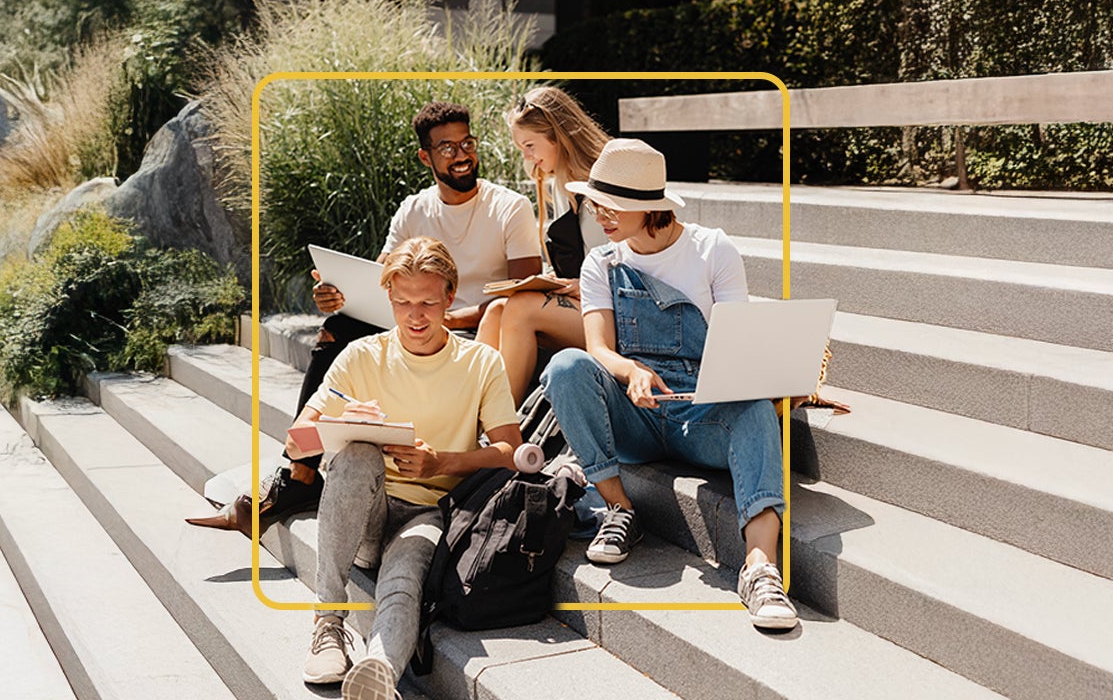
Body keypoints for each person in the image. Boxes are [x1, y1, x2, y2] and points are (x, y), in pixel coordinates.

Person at [540, 138, 798, 630]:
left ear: (650, 207)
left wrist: (772, 375)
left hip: (703, 415)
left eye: (612, 205)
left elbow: (737, 340)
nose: (599, 214)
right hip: (636, 414)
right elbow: (598, 348)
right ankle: (619, 509)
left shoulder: (712, 250)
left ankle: (760, 569)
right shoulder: (602, 262)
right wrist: (630, 371)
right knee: (566, 367)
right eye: (595, 203)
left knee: (756, 409)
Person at [257, 101, 540, 530]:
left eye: (468, 143)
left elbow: (525, 291)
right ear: (425, 157)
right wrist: (339, 295)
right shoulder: (414, 209)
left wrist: (449, 317)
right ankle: (301, 474)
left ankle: (321, 474)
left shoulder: (509, 207)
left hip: (475, 329)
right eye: (447, 148)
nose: (462, 155)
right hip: (419, 319)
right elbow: (383, 280)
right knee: (338, 328)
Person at [285, 236, 524, 698]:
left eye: (428, 303)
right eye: (403, 302)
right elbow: (295, 446)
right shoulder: (360, 356)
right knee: (357, 454)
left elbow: (510, 452)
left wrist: (441, 462)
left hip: (430, 514)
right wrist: (339, 425)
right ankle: (327, 624)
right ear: (389, 297)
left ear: (449, 298)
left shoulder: (480, 362)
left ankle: (379, 670)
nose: (415, 316)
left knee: (404, 579)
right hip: (364, 513)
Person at [477, 86, 612, 403]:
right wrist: (553, 279)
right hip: (584, 300)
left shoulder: (602, 182)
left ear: (557, 135)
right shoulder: (559, 183)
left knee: (521, 309)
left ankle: (501, 422)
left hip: (613, 311)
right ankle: (468, 415)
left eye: (529, 145)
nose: (527, 157)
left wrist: (579, 284)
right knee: (496, 310)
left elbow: (623, 264)